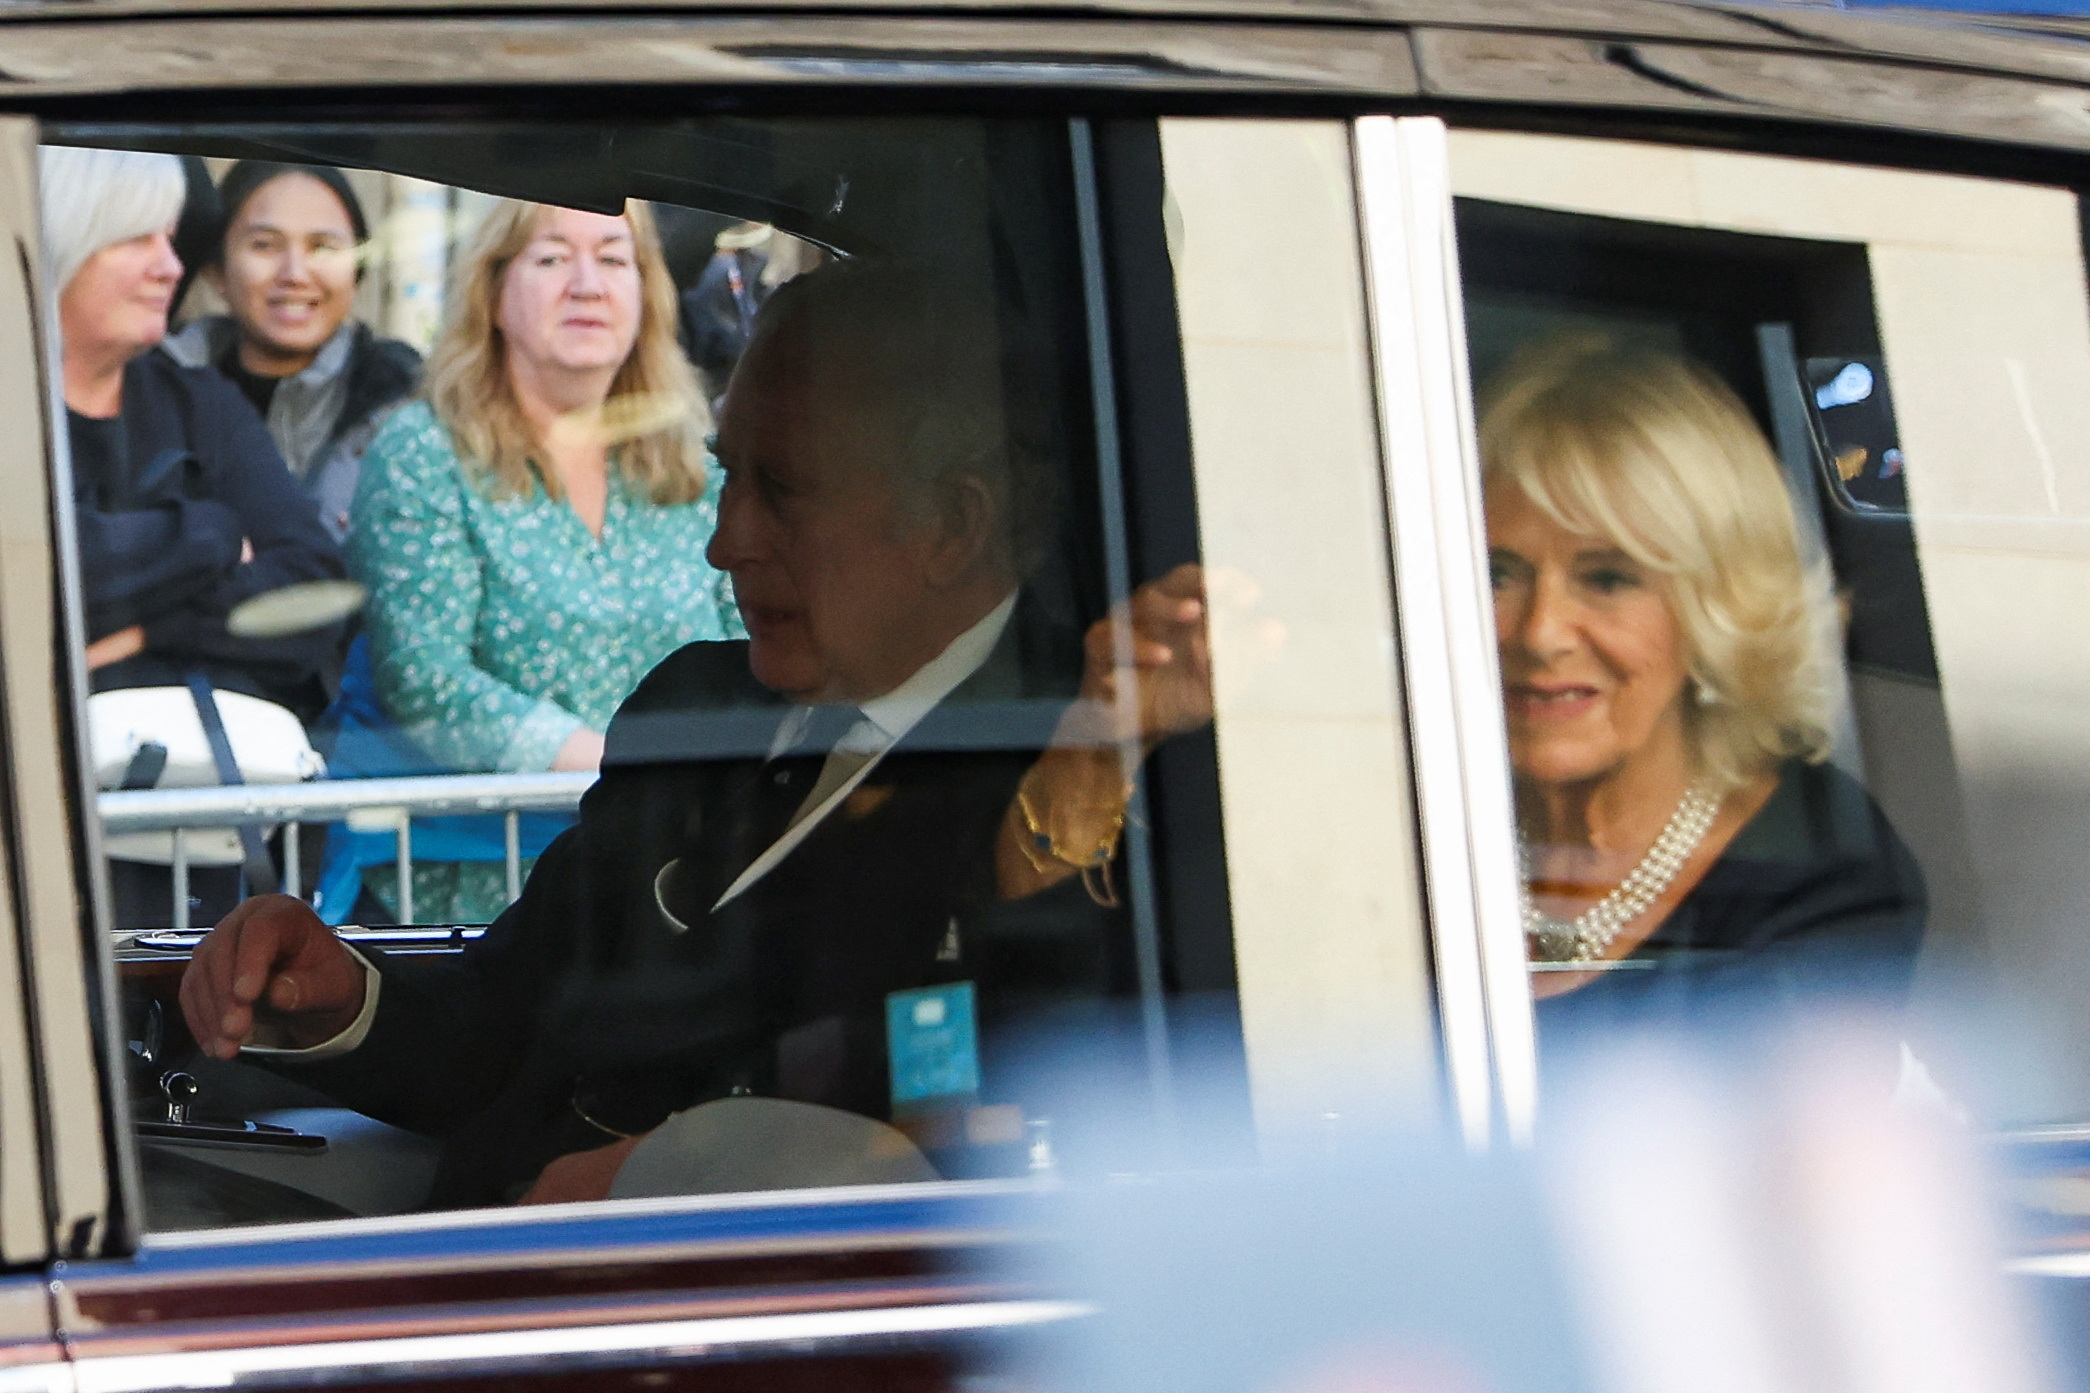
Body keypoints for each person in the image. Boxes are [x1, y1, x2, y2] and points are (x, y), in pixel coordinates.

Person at [178, 261, 1212, 1208]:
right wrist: (341, 995)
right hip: (481, 1291)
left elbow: (982, 1160)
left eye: (784, 491)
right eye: (729, 477)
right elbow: (506, 1021)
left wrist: (668, 1176)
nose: (725, 543)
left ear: (950, 523)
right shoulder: (694, 706)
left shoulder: (1060, 785)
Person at [1480, 337, 1925, 1036]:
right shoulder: (1412, 827)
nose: (1541, 632)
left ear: (1716, 609)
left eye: (1607, 577)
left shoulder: (1815, 873)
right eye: (1497, 574)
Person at [344, 198, 742, 925]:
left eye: (615, 258)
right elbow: (425, 680)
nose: (587, 284)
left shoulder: (695, 459)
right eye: (553, 257)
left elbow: (746, 646)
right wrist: (626, 771)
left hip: (675, 883)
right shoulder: (423, 454)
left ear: (647, 292)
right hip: (482, 893)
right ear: (493, 292)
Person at [46, 146, 348, 922]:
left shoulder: (194, 399)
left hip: (199, 879)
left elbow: (315, 596)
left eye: (171, 240)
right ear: (62, 240)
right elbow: (41, 584)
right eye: (136, 239)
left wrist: (144, 622)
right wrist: (211, 533)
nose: (168, 266)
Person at [161, 161, 421, 541]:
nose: (295, 273)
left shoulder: (406, 404)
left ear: (358, 273)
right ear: (217, 272)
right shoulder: (155, 389)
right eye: (264, 245)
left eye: (323, 247)